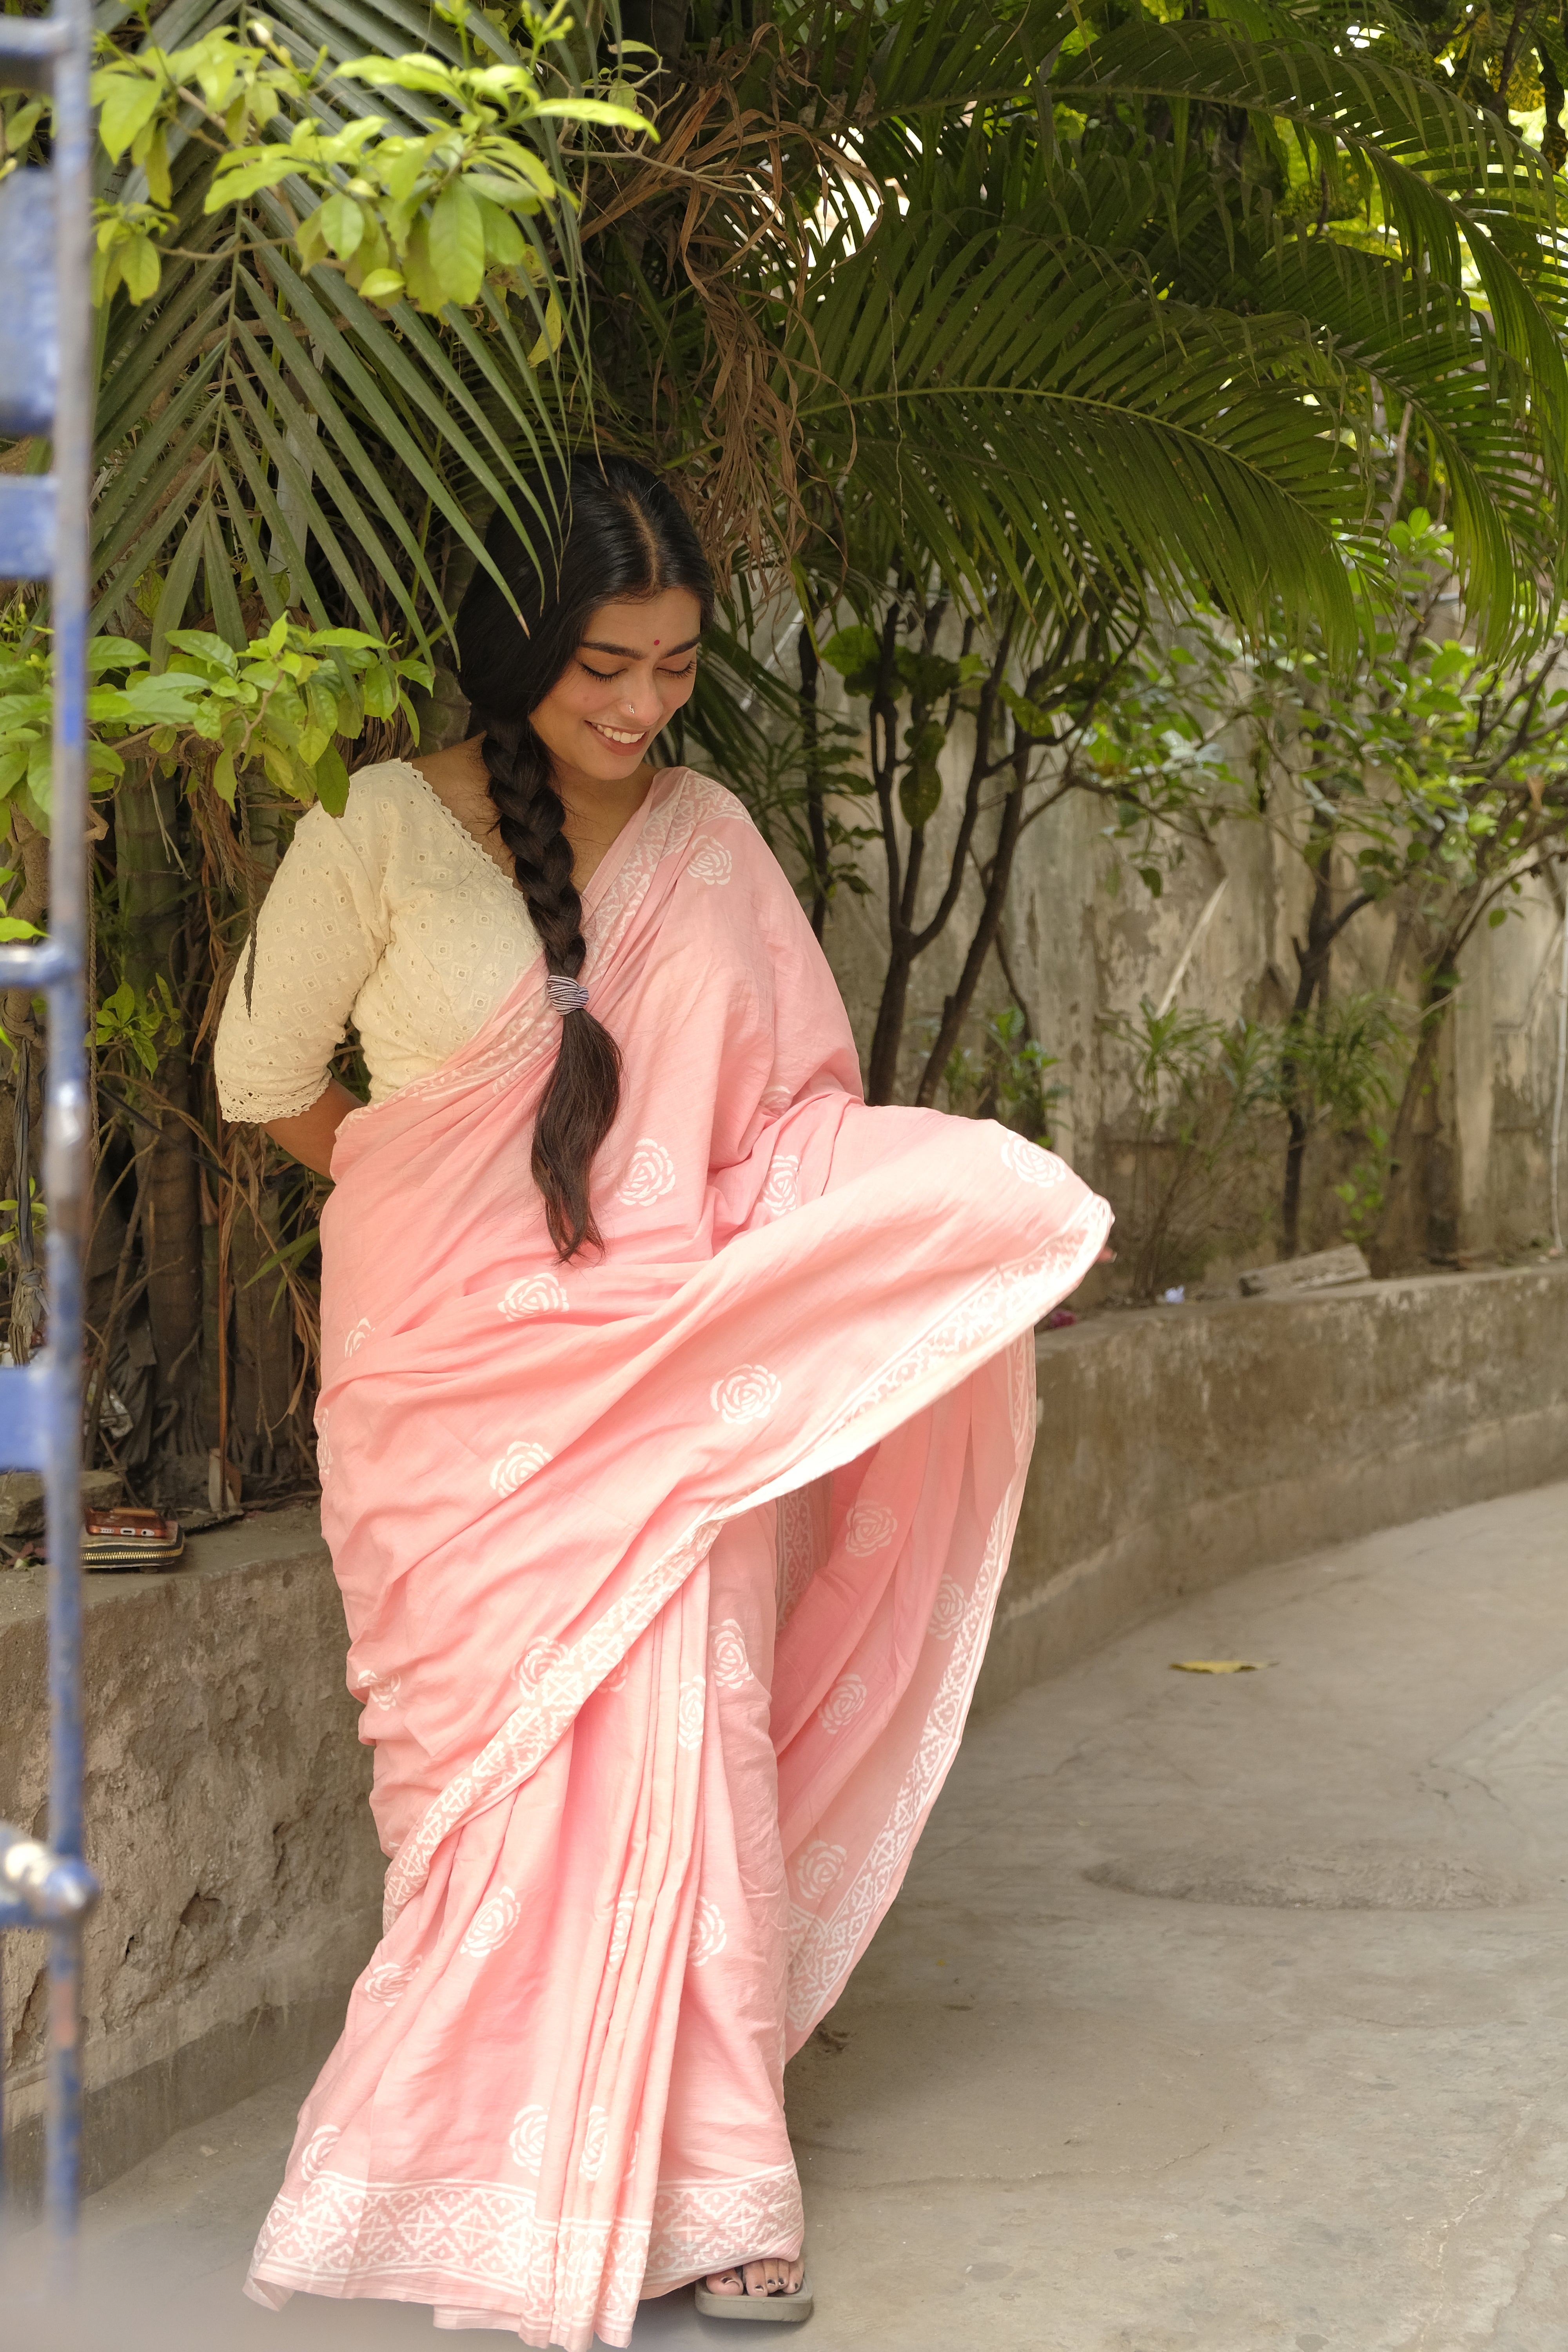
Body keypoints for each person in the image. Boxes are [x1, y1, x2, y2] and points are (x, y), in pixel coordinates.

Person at [214, 454, 1111, 2348]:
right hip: (444, 1397)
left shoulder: (710, 841)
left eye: (674, 667)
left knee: (687, 1769)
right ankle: (469, 2168)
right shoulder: (374, 829)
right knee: (475, 1795)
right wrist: (438, 1203)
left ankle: (718, 2188)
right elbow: (263, 1078)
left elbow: (784, 1119)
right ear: (514, 649)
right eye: (598, 669)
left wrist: (914, 1217)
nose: (637, 708)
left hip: (669, 1379)